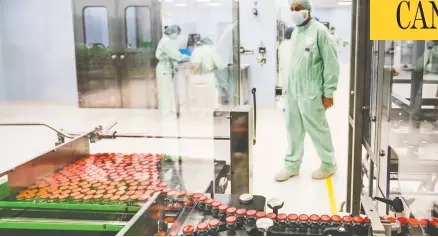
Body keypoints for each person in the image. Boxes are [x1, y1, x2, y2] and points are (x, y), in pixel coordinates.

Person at [275, 0, 339, 181]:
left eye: (298, 8)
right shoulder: (295, 32)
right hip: (293, 90)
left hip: (311, 90)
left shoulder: (320, 31)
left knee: (317, 128)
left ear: (307, 9)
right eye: (292, 9)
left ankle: (329, 164)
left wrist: (329, 92)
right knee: (293, 128)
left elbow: (331, 64)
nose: (294, 12)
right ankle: (292, 165)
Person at [155, 25, 190, 119]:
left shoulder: (167, 40)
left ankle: (167, 112)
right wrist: (190, 57)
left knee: (167, 91)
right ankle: (165, 114)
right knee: (164, 92)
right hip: (164, 69)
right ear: (172, 32)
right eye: (177, 34)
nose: (177, 36)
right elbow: (177, 56)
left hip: (166, 68)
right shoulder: (166, 41)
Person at [191, 38, 227, 110]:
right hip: (209, 76)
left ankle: (201, 110)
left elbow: (194, 64)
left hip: (197, 77)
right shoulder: (212, 50)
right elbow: (220, 65)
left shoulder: (196, 50)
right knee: (213, 94)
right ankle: (212, 110)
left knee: (200, 95)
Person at [278, 27, 294, 94]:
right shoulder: (295, 44)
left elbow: (280, 58)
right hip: (293, 72)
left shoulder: (282, 45)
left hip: (284, 71)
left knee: (286, 91)